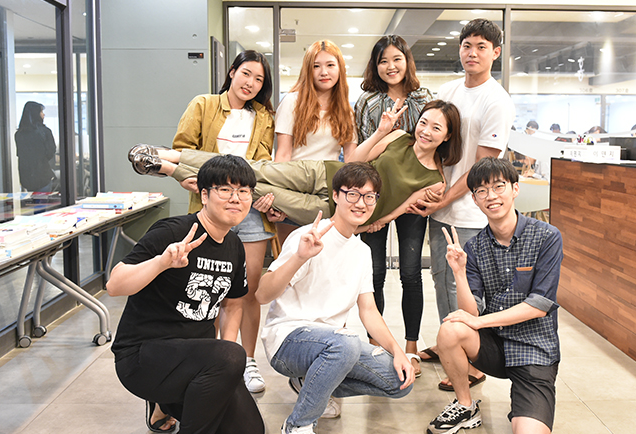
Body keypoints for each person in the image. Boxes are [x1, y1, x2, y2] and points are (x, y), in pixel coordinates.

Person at [130, 100, 462, 232]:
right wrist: (381, 131)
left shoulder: (435, 181)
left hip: (341, 208)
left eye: (436, 127)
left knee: (253, 189)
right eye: (424, 122)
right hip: (326, 172)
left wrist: (366, 225)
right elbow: (356, 160)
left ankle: (167, 168)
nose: (426, 130)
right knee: (253, 169)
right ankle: (170, 156)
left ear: (447, 136)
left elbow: (396, 211)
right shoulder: (399, 137)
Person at [107, 155, 265, 434]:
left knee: (251, 430)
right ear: (204, 195)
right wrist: (161, 263)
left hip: (197, 362)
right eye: (225, 189)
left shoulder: (234, 245)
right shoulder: (173, 232)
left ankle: (166, 403)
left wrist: (226, 366)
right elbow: (114, 285)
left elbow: (232, 305)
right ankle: (164, 400)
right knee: (229, 357)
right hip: (143, 358)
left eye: (243, 191)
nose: (236, 198)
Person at [255, 162, 416, 434]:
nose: (361, 203)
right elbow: (262, 294)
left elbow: (369, 310)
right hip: (288, 339)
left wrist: (398, 351)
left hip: (333, 344)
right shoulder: (307, 236)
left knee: (399, 380)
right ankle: (298, 425)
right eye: (352, 194)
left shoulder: (362, 252)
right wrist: (299, 258)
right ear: (336, 196)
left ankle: (308, 383)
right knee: (346, 342)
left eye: (369, 196)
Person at [408, 18, 515, 392]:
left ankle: (472, 363)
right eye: (467, 45)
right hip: (440, 208)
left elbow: (482, 164)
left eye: (481, 47)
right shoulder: (449, 89)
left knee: (463, 287)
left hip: (468, 212)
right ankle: (447, 344)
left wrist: (445, 195)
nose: (472, 53)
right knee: (441, 279)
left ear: (495, 53)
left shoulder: (496, 100)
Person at [159, 50, 275, 394]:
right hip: (209, 206)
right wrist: (184, 178)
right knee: (207, 287)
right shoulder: (204, 104)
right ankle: (208, 359)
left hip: (250, 209)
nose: (251, 83)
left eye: (259, 79)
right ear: (232, 72)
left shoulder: (264, 117)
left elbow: (265, 164)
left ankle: (246, 361)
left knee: (248, 289)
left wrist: (266, 195)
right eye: (246, 74)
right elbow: (183, 150)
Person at [426, 157, 562, 434]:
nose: (491, 196)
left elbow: (538, 305)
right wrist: (459, 272)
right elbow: (471, 312)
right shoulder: (475, 247)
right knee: (451, 327)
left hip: (533, 350)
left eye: (499, 186)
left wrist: (479, 322)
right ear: (475, 199)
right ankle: (465, 405)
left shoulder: (546, 237)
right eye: (482, 190)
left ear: (515, 189)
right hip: (494, 345)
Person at [353, 34, 435, 375]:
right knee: (373, 274)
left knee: (411, 272)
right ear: (375, 65)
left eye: (396, 59)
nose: (390, 66)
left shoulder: (423, 98)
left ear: (407, 61)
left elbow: (434, 144)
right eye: (383, 60)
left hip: (413, 195)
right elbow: (361, 151)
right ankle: (377, 345)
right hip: (375, 195)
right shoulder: (367, 102)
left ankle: (411, 346)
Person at [269, 40, 357, 244]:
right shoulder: (292, 102)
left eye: (330, 65)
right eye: (316, 66)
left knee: (327, 256)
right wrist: (277, 197)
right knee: (293, 254)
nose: (323, 72)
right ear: (307, 70)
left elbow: (351, 158)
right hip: (294, 188)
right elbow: (283, 153)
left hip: (328, 191)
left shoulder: (346, 110)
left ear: (340, 68)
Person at [14, 101, 57, 192]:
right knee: (44, 199)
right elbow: (51, 152)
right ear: (35, 114)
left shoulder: (19, 134)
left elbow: (20, 154)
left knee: (31, 199)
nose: (43, 114)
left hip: (26, 176)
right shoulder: (45, 132)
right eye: (41, 112)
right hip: (43, 175)